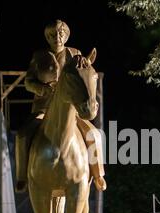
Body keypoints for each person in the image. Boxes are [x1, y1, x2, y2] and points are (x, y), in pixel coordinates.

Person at [15, 19, 106, 193]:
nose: (57, 37)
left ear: (66, 35)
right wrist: (42, 88)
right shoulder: (39, 57)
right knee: (22, 135)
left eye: (60, 33)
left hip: (71, 110)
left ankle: (98, 174)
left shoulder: (75, 54)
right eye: (52, 35)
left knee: (94, 134)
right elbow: (28, 82)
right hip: (43, 108)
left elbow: (84, 75)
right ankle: (22, 177)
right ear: (47, 38)